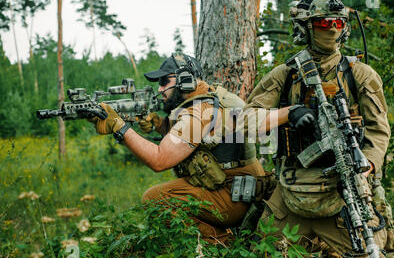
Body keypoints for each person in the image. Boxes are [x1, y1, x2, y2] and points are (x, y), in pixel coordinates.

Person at [243, 0, 394, 258]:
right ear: (306, 27)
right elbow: (247, 122)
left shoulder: (360, 74)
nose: (332, 29)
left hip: (342, 194)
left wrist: (366, 167)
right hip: (292, 193)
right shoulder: (285, 75)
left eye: (337, 23)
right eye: (324, 24)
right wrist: (289, 113)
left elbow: (378, 130)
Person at [88, 52, 266, 244]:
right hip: (243, 190)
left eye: (165, 81)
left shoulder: (199, 111)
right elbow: (197, 138)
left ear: (184, 80)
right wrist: (159, 124)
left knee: (155, 198)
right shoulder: (210, 97)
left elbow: (159, 159)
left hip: (233, 197)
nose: (160, 89)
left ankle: (222, 243)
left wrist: (119, 127)